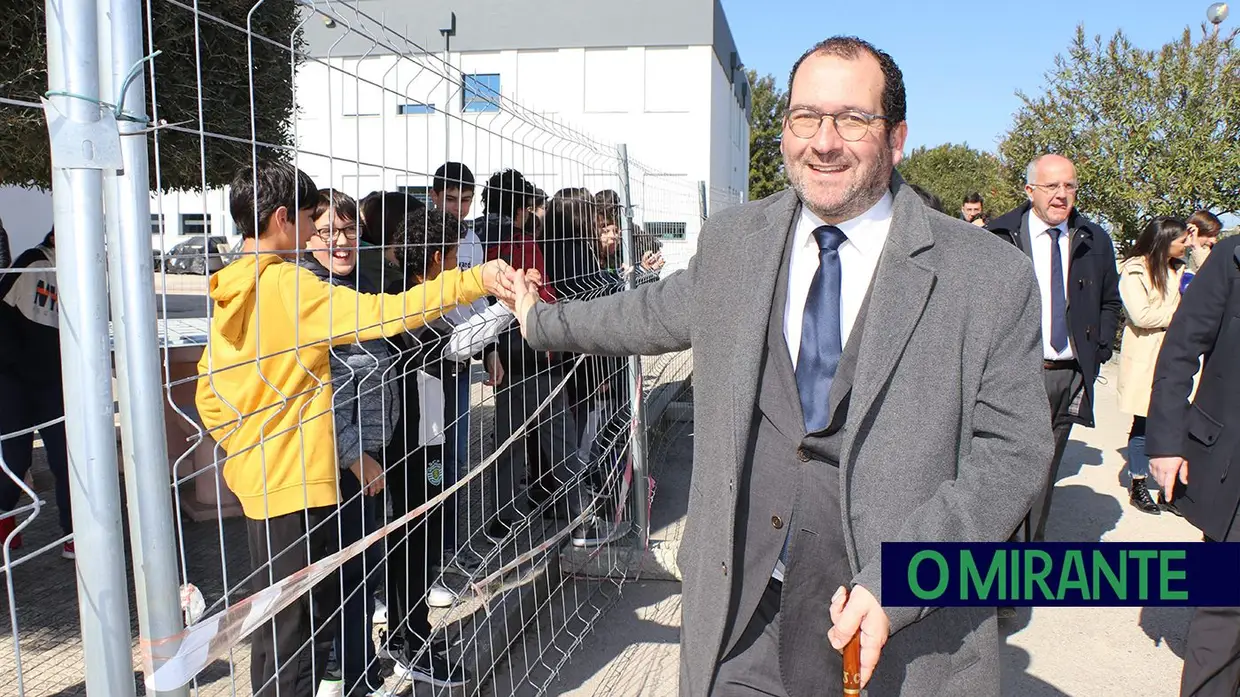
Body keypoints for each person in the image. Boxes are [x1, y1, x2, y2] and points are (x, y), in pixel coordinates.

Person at [508, 36, 1051, 696]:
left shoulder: (987, 277)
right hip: (744, 615)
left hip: (893, 636)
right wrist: (541, 322)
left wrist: (901, 584)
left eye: (852, 119)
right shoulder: (737, 241)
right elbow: (649, 315)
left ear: (897, 137)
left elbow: (1012, 456)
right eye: (804, 117)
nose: (823, 141)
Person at [194, 161, 512, 697]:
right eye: (308, 218)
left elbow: (209, 389)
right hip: (299, 478)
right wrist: (472, 280)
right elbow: (386, 314)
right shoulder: (288, 286)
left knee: (282, 629)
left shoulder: (232, 287)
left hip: (262, 476)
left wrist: (244, 444)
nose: (319, 230)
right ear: (280, 219)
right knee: (302, 637)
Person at [987, 154, 1122, 543]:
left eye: (1070, 186)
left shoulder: (1094, 239)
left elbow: (1110, 303)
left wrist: (1094, 355)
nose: (1062, 195)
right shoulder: (999, 237)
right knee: (1004, 471)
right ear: (1029, 191)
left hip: (1066, 376)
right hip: (1012, 376)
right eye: (1052, 186)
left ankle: (1025, 564)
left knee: (1044, 475)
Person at [298, 189, 393, 696]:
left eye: (350, 230)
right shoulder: (310, 294)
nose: (341, 241)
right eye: (328, 231)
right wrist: (356, 456)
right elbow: (320, 390)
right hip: (339, 466)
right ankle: (344, 675)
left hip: (368, 461)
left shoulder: (357, 284)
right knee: (344, 576)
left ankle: (355, 668)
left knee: (362, 571)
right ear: (304, 235)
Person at [1146, 231, 1240, 697]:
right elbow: (1181, 350)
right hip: (1235, 475)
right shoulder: (1232, 259)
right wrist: (1164, 442)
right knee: (1224, 613)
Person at [0, 229, 73, 560]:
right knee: (14, 462)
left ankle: (73, 534)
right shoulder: (32, 262)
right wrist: (15, 361)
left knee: (66, 460)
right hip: (15, 384)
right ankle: (4, 529)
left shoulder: (83, 273)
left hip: (55, 385)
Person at [1115, 216, 1189, 515]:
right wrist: (1181, 314)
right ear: (1164, 241)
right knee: (1144, 422)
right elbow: (1141, 316)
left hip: (1175, 355)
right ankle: (1138, 484)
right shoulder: (1135, 270)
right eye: (1182, 240)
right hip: (1146, 357)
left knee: (1176, 422)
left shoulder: (1181, 271)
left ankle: (1170, 490)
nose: (1186, 245)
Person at [1182, 209, 1223, 287]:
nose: (1213, 240)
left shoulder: (1215, 255)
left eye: (1215, 235)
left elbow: (1210, 277)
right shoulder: (1177, 255)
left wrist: (1196, 248)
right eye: (1209, 235)